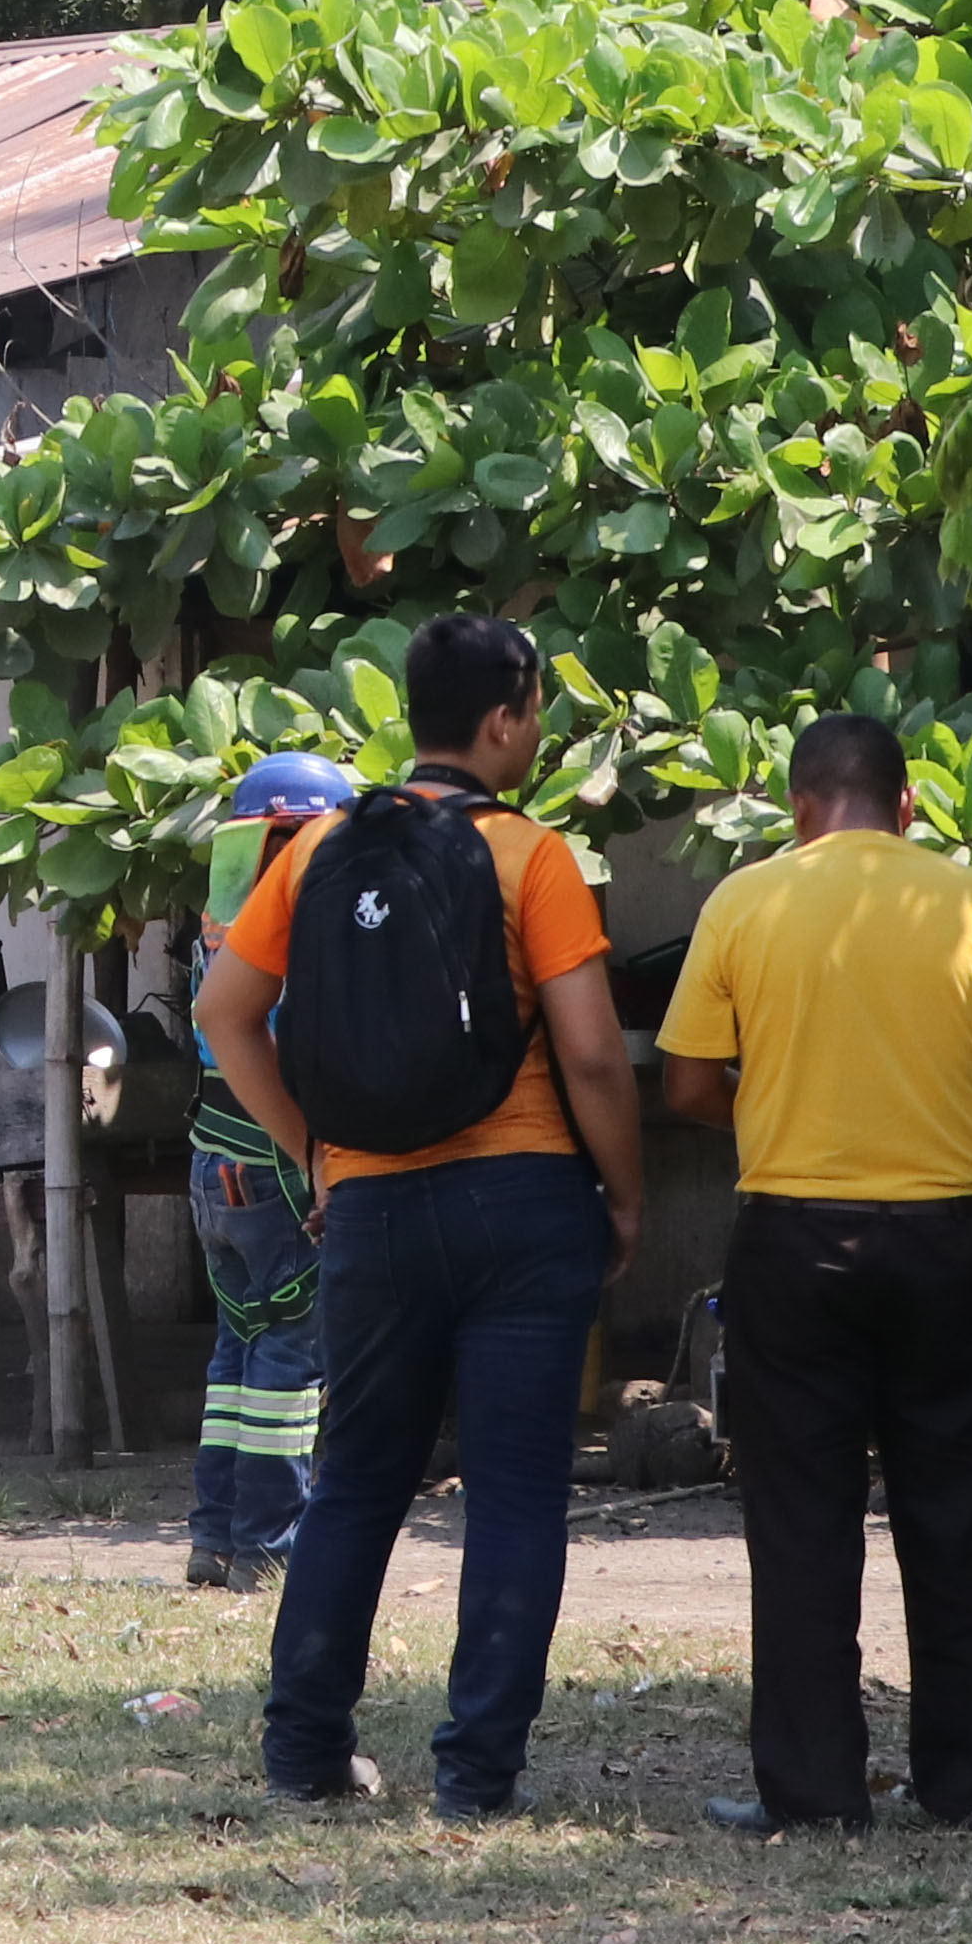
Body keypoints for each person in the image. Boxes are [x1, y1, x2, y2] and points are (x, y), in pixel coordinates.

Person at [200, 613, 643, 1820]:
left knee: (353, 1481)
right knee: (510, 1493)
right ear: (504, 719)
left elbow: (228, 1014)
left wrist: (319, 1157)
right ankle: (476, 1774)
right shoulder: (530, 856)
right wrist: (625, 1193)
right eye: (536, 709)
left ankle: (302, 1753)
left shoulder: (319, 848)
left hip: (375, 1209)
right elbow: (595, 1059)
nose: (539, 730)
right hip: (524, 1202)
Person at [650, 712, 972, 1838]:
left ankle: (813, 1794)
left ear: (799, 808)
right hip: (953, 1241)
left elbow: (688, 1086)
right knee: (965, 1510)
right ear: (907, 808)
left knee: (801, 1520)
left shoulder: (744, 903)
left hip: (795, 1243)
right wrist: (952, 1107)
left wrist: (785, 1101)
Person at [186, 751, 359, 1589]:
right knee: (291, 1363)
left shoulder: (217, 928)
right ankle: (268, 1547)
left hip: (212, 1173)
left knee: (235, 1359)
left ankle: (212, 1539)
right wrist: (321, 1160)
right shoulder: (296, 933)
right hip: (282, 1171)